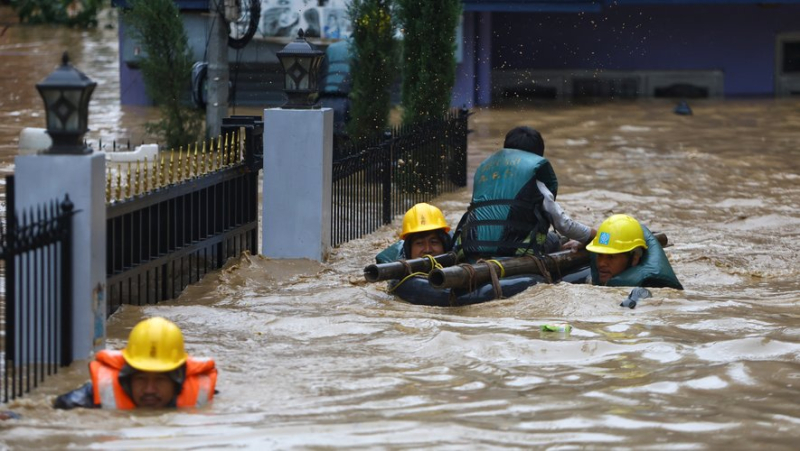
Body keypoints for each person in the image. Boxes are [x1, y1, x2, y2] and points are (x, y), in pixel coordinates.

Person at [454, 126, 595, 260]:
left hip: (471, 249)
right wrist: (594, 236)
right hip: (513, 253)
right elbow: (564, 225)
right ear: (536, 158)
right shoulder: (536, 185)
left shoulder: (486, 177)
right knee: (553, 238)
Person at [54, 317, 217, 410]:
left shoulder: (201, 392)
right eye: (141, 378)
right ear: (127, 376)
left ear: (177, 379)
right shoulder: (84, 400)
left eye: (159, 379)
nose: (149, 390)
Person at [586, 214, 683, 290]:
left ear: (634, 259)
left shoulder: (648, 289)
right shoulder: (592, 279)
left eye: (611, 257)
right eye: (599, 255)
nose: (601, 263)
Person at [375, 203, 452, 264]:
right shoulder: (396, 266)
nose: (428, 250)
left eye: (434, 242)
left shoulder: (457, 256)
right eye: (419, 243)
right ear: (409, 248)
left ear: (445, 244)